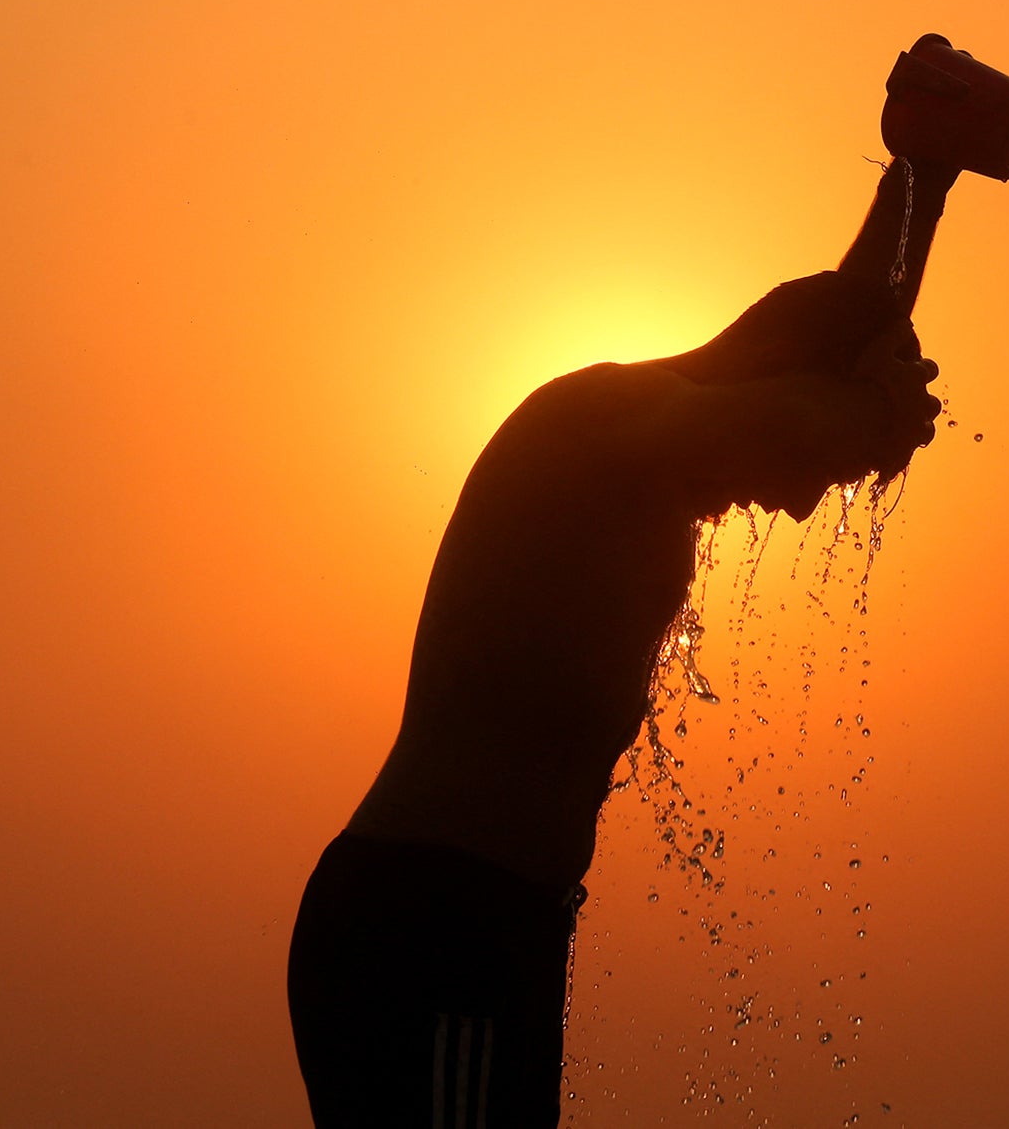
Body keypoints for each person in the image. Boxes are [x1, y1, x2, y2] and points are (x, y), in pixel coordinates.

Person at [287, 158, 958, 1128]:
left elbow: (837, 325)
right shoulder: (605, 419)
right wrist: (870, 411)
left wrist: (921, 180)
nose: (803, 495)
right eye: (806, 466)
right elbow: (792, 394)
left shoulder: (651, 462)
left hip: (489, 924)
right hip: (433, 922)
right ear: (766, 378)